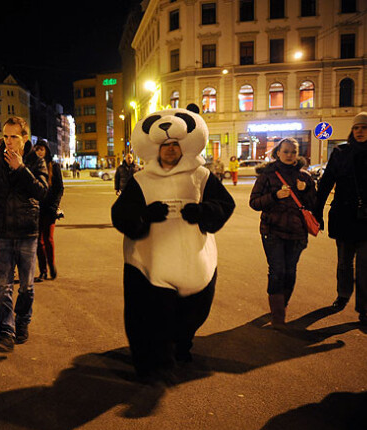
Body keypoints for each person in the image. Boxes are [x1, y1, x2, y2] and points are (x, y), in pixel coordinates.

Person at [111, 107, 234, 380]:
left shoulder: (201, 176)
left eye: (174, 145)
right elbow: (120, 214)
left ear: (183, 148)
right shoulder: (140, 180)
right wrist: (143, 215)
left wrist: (204, 213)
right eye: (165, 145)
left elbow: (225, 204)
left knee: (193, 314)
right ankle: (153, 362)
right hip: (149, 262)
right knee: (151, 317)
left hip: (195, 259)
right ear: (156, 149)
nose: (169, 148)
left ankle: (181, 345)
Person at [0, 116, 49, 352]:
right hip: (1, 232)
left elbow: (42, 193)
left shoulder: (35, 160)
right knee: (3, 287)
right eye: (5, 136)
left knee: (26, 287)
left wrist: (21, 169)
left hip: (27, 231)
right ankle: (5, 332)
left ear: (24, 138)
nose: (8, 141)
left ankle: (22, 321)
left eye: (14, 137)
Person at [249, 138, 316, 329]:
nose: (289, 155)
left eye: (293, 152)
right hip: (273, 231)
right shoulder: (267, 176)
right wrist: (274, 196)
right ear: (277, 153)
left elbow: (314, 205)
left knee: (290, 271)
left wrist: (307, 190)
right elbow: (254, 202)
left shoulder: (304, 177)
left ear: (297, 154)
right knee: (277, 271)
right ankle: (278, 316)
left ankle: (281, 305)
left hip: (297, 233)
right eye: (286, 151)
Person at [314, 112, 367, 325]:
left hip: (366, 220)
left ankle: (364, 307)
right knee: (344, 263)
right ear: (352, 131)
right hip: (344, 217)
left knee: (365, 264)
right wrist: (317, 212)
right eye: (357, 128)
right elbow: (326, 183)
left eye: (364, 128)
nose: (360, 131)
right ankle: (343, 294)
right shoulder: (340, 153)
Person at [33, 140, 64, 282]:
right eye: (37, 149)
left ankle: (52, 265)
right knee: (38, 241)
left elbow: (59, 188)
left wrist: (54, 205)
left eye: (42, 149)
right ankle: (43, 270)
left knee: (48, 238)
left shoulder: (54, 166)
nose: (39, 152)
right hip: (36, 208)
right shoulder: (32, 167)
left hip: (49, 209)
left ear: (46, 150)